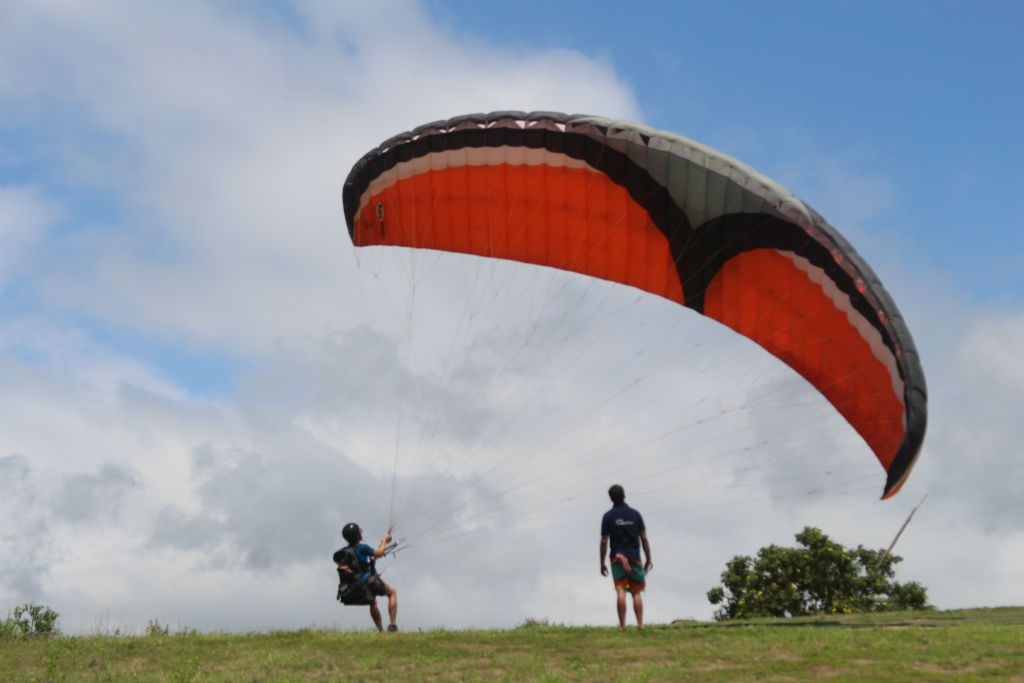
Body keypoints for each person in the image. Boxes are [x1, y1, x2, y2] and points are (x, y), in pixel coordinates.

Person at [599, 484, 652, 630]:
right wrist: (648, 558)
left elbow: (604, 541)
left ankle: (622, 626)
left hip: (617, 559)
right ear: (624, 495)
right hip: (634, 557)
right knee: (636, 592)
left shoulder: (608, 516)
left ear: (611, 498)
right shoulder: (635, 514)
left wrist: (602, 562)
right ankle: (640, 625)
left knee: (621, 590)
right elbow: (644, 538)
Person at [334, 522, 399, 632]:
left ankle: (380, 631)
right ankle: (392, 626)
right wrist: (384, 540)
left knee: (373, 602)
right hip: (370, 581)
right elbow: (378, 553)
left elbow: (356, 563)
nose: (362, 531)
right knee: (392, 593)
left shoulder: (342, 553)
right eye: (360, 530)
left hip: (357, 585)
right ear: (357, 535)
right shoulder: (362, 548)